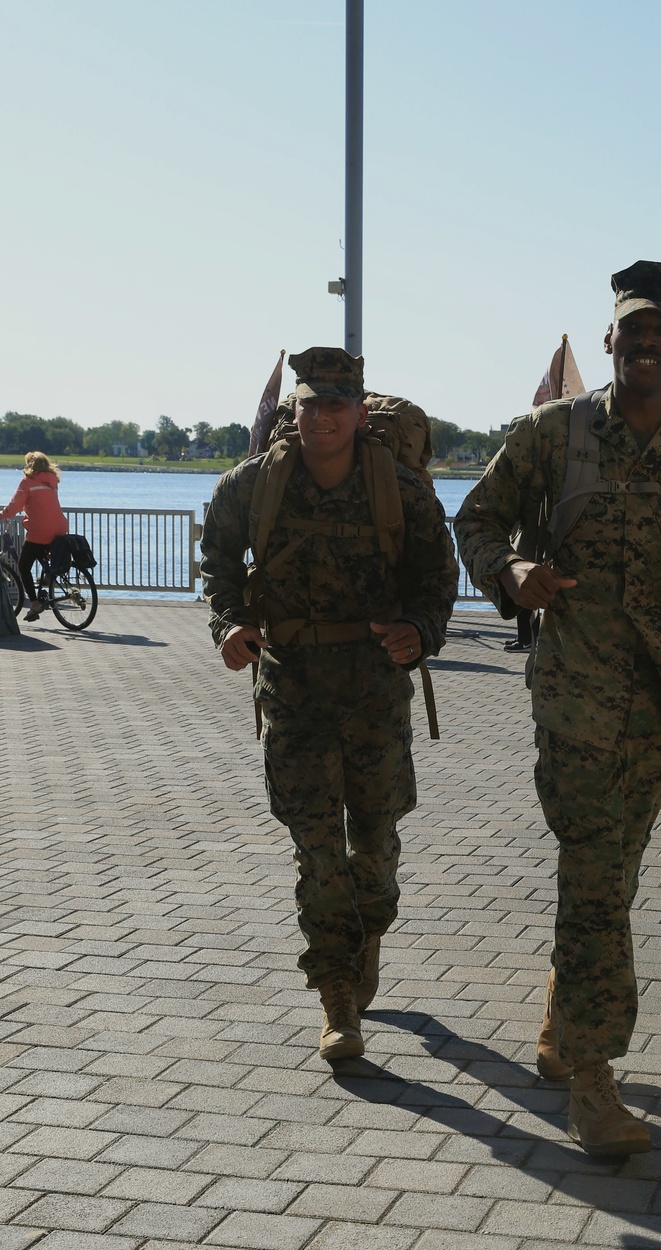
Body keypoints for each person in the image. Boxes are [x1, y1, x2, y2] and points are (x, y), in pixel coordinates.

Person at [454, 261, 661, 1157]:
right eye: (630, 329)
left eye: (659, 330)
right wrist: (512, 574)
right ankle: (594, 1084)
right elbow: (473, 521)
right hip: (575, 700)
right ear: (609, 340)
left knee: (614, 879)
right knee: (595, 876)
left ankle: (562, 1019)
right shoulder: (550, 437)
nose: (644, 343)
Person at [200, 347, 458, 1062]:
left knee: (373, 846)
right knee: (316, 848)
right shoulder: (253, 485)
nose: (322, 417)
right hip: (293, 691)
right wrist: (228, 623)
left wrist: (420, 630)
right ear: (298, 410)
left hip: (375, 693)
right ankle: (338, 996)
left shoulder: (399, 489)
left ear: (357, 410)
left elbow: (440, 574)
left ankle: (368, 930)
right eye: (311, 403)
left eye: (336, 405)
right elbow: (217, 559)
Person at [0, 451, 70, 621]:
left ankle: (35, 603)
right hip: (60, 527)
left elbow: (15, 505)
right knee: (42, 553)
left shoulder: (27, 483)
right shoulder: (52, 482)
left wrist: (3, 515)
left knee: (24, 566)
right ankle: (48, 576)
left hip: (40, 530)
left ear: (30, 465)